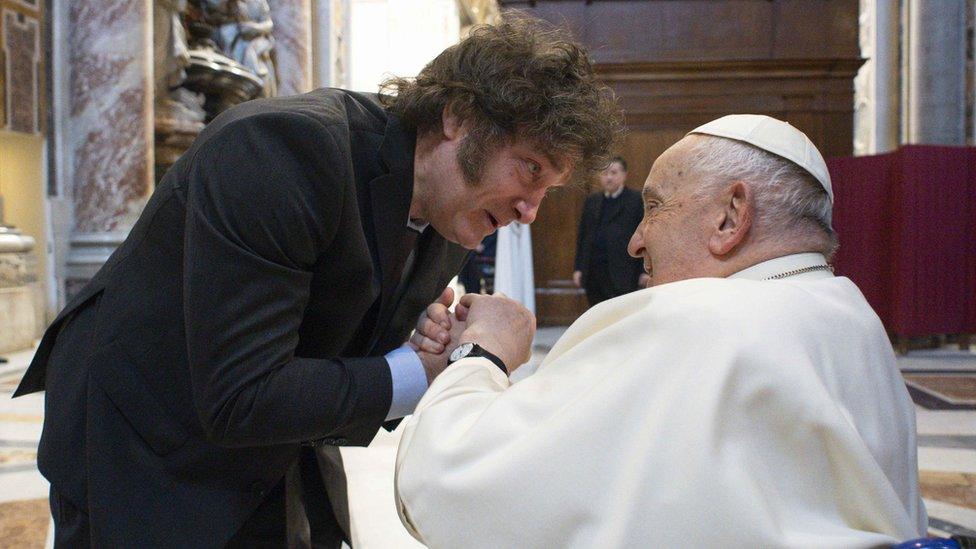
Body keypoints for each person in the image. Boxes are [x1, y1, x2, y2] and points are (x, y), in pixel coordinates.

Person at [14, 18, 618, 547]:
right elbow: (241, 395)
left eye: (548, 189)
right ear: (458, 118)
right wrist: (427, 371)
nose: (530, 211)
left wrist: (420, 349)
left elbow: (343, 363)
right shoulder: (282, 151)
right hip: (144, 442)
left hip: (275, 448)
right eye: (530, 169)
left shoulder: (451, 214)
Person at [397, 115, 926, 547]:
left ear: (730, 216)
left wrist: (481, 354)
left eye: (654, 208)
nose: (636, 242)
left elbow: (454, 484)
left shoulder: (694, 318)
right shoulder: (853, 317)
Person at [573, 156, 648, 306]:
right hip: (594, 270)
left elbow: (644, 235)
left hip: (624, 270)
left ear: (624, 175)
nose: (608, 177)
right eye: (605, 173)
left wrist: (644, 270)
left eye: (613, 173)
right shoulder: (592, 201)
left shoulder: (635, 200)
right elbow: (583, 236)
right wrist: (579, 268)